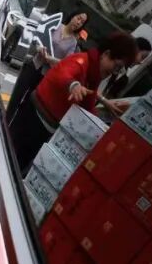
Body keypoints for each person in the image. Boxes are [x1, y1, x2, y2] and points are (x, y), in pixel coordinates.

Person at [9, 31, 138, 170]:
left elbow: (88, 107)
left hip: (46, 128)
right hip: (33, 117)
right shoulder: (82, 61)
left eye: (119, 70)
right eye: (117, 66)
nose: (114, 72)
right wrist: (73, 85)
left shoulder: (93, 77)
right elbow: (63, 74)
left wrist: (103, 129)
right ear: (106, 54)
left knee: (18, 164)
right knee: (10, 156)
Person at [5, 10, 89, 126]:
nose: (78, 22)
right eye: (78, 18)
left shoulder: (73, 43)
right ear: (72, 16)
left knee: (28, 103)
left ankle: (13, 128)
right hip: (34, 65)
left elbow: (66, 62)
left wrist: (51, 59)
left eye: (82, 22)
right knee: (16, 96)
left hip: (45, 76)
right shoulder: (56, 25)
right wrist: (39, 48)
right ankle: (4, 121)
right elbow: (39, 37)